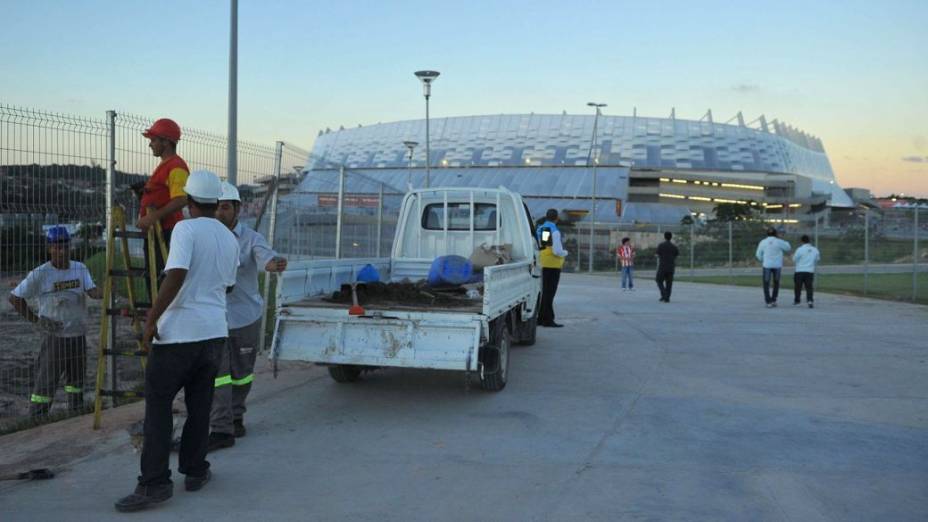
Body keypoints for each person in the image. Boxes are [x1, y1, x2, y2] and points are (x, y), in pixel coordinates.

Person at [116, 170, 239, 512]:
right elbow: (227, 285)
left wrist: (152, 319)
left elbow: (176, 274)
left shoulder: (185, 229)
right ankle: (196, 470)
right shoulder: (229, 237)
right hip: (214, 332)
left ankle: (154, 483)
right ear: (216, 201)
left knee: (158, 408)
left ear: (188, 201)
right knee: (200, 406)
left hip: (179, 335)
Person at [208, 182, 288, 450]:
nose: (220, 213)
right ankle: (221, 425)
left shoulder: (251, 239)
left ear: (237, 210)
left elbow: (265, 257)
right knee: (218, 375)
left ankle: (236, 416)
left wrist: (273, 263)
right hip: (214, 320)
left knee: (242, 374)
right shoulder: (205, 236)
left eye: (225, 207)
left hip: (244, 317)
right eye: (216, 208)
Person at [8, 226, 102, 417]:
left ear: (70, 246)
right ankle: (37, 418)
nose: (62, 251)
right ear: (49, 248)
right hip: (54, 336)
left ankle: (75, 414)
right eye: (57, 247)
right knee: (47, 380)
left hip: (77, 335)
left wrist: (108, 289)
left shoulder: (79, 268)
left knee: (76, 382)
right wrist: (37, 320)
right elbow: (15, 298)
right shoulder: (41, 273)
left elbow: (92, 291)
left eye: (65, 246)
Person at [135, 118, 189, 274]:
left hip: (166, 233)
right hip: (159, 232)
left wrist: (153, 217)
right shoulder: (167, 164)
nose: (150, 144)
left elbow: (182, 199)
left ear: (166, 142)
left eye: (153, 140)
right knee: (154, 281)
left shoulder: (176, 166)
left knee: (160, 281)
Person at [535, 209, 568, 327]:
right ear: (557, 218)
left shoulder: (543, 228)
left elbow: (545, 246)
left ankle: (541, 318)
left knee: (545, 292)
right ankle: (548, 320)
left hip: (544, 262)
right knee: (550, 293)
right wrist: (565, 252)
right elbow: (556, 251)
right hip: (553, 265)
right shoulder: (555, 231)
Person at [755, 227, 792, 307]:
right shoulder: (779, 241)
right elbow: (788, 247)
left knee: (766, 283)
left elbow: (758, 254)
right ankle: (774, 300)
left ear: (767, 234)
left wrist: (763, 259)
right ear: (775, 233)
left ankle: (768, 301)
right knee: (776, 283)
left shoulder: (763, 242)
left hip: (767, 265)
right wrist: (782, 239)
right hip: (777, 265)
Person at [792, 235, 821, 308]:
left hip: (799, 270)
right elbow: (817, 259)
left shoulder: (799, 249)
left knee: (798, 287)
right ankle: (810, 301)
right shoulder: (815, 250)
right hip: (809, 271)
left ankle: (797, 301)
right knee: (809, 287)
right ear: (809, 241)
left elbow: (794, 259)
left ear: (802, 241)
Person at [655, 231, 679, 302]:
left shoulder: (661, 245)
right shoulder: (674, 246)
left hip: (662, 266)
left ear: (664, 237)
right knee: (669, 283)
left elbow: (657, 254)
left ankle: (664, 294)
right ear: (671, 237)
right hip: (671, 267)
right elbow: (676, 255)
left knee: (658, 280)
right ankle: (667, 297)